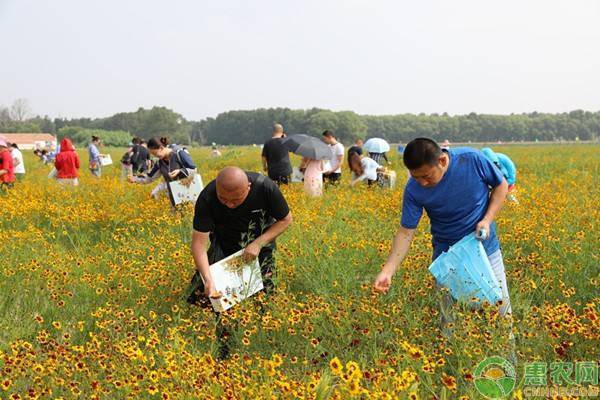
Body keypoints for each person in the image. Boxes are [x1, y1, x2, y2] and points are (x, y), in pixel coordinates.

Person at [373, 138, 512, 331]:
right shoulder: (414, 189)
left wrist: (487, 220)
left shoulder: (472, 160)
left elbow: (501, 185)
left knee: (501, 313)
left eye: (427, 176)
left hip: (485, 251)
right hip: (447, 260)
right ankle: (456, 360)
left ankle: (508, 359)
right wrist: (388, 270)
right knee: (450, 321)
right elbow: (405, 233)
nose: (422, 182)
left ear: (442, 161)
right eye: (416, 177)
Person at [188, 167, 293, 357]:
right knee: (218, 299)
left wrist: (258, 243)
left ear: (249, 187)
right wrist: (208, 278)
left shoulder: (265, 188)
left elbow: (286, 219)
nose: (229, 205)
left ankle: (265, 344)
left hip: (260, 247)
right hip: (225, 246)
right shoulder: (208, 197)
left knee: (264, 297)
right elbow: (198, 244)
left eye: (236, 200)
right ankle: (224, 349)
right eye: (224, 200)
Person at [128, 137, 197, 205]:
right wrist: (135, 179)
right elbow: (150, 177)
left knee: (190, 212)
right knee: (175, 214)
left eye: (155, 153)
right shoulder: (160, 162)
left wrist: (180, 171)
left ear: (161, 148)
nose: (155, 156)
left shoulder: (179, 153)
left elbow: (193, 169)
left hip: (189, 192)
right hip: (174, 195)